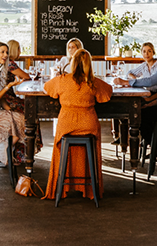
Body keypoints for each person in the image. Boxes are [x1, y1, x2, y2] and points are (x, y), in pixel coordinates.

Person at [44, 50, 113, 201]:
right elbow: (108, 93)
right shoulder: (93, 82)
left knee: (62, 147)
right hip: (88, 124)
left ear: (72, 63)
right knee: (92, 145)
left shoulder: (62, 79)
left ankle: (60, 187)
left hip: (66, 125)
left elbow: (47, 88)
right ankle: (90, 190)